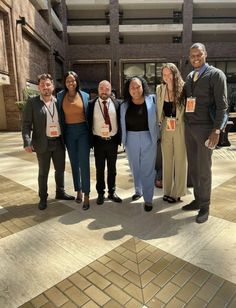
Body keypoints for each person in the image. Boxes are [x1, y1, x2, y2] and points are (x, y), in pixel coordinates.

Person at [183, 43, 228, 223]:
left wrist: (216, 131)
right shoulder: (189, 76)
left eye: (199, 55)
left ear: (205, 54)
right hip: (190, 128)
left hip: (205, 129)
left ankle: (205, 206)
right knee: (193, 167)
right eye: (192, 55)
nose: (195, 58)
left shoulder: (216, 75)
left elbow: (223, 107)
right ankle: (197, 199)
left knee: (204, 169)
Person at [22, 73, 75, 210]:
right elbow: (26, 124)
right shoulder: (32, 102)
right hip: (42, 143)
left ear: (52, 86)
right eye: (42, 85)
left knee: (60, 170)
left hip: (58, 142)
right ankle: (43, 197)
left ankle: (60, 192)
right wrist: (27, 142)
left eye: (48, 84)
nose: (45, 87)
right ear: (38, 87)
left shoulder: (59, 101)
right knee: (43, 172)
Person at [120, 76, 159, 212]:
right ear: (128, 89)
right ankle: (138, 190)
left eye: (138, 86)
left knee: (147, 169)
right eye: (132, 87)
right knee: (135, 167)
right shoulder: (124, 105)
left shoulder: (152, 100)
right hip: (131, 139)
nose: (135, 90)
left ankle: (148, 199)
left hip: (148, 137)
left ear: (143, 87)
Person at [57, 71, 90, 210]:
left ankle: (87, 194)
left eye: (73, 80)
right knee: (74, 162)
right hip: (69, 132)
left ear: (77, 82)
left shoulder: (85, 96)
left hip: (83, 131)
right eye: (68, 81)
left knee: (84, 162)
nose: (71, 83)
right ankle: (78, 190)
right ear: (65, 83)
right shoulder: (59, 96)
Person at [156, 63, 187, 203]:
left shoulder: (184, 88)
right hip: (166, 126)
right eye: (164, 74)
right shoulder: (159, 89)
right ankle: (167, 191)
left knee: (180, 159)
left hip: (180, 126)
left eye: (169, 74)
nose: (167, 77)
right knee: (167, 160)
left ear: (175, 74)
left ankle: (178, 191)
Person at [88, 80, 122, 205]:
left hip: (112, 141)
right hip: (98, 142)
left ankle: (112, 192)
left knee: (112, 169)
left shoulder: (117, 103)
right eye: (101, 88)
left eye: (106, 88)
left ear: (110, 90)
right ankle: (100, 193)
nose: (104, 91)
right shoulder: (91, 105)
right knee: (100, 169)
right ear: (98, 90)